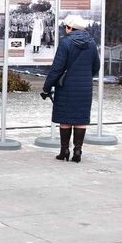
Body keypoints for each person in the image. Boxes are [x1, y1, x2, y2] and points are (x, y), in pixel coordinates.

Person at [43, 14, 100, 163]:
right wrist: (86, 76)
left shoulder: (65, 43)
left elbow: (57, 68)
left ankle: (64, 151)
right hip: (85, 88)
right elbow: (96, 66)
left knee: (65, 118)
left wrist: (47, 86)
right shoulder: (92, 43)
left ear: (70, 28)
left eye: (66, 27)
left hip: (66, 86)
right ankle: (78, 150)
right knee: (81, 118)